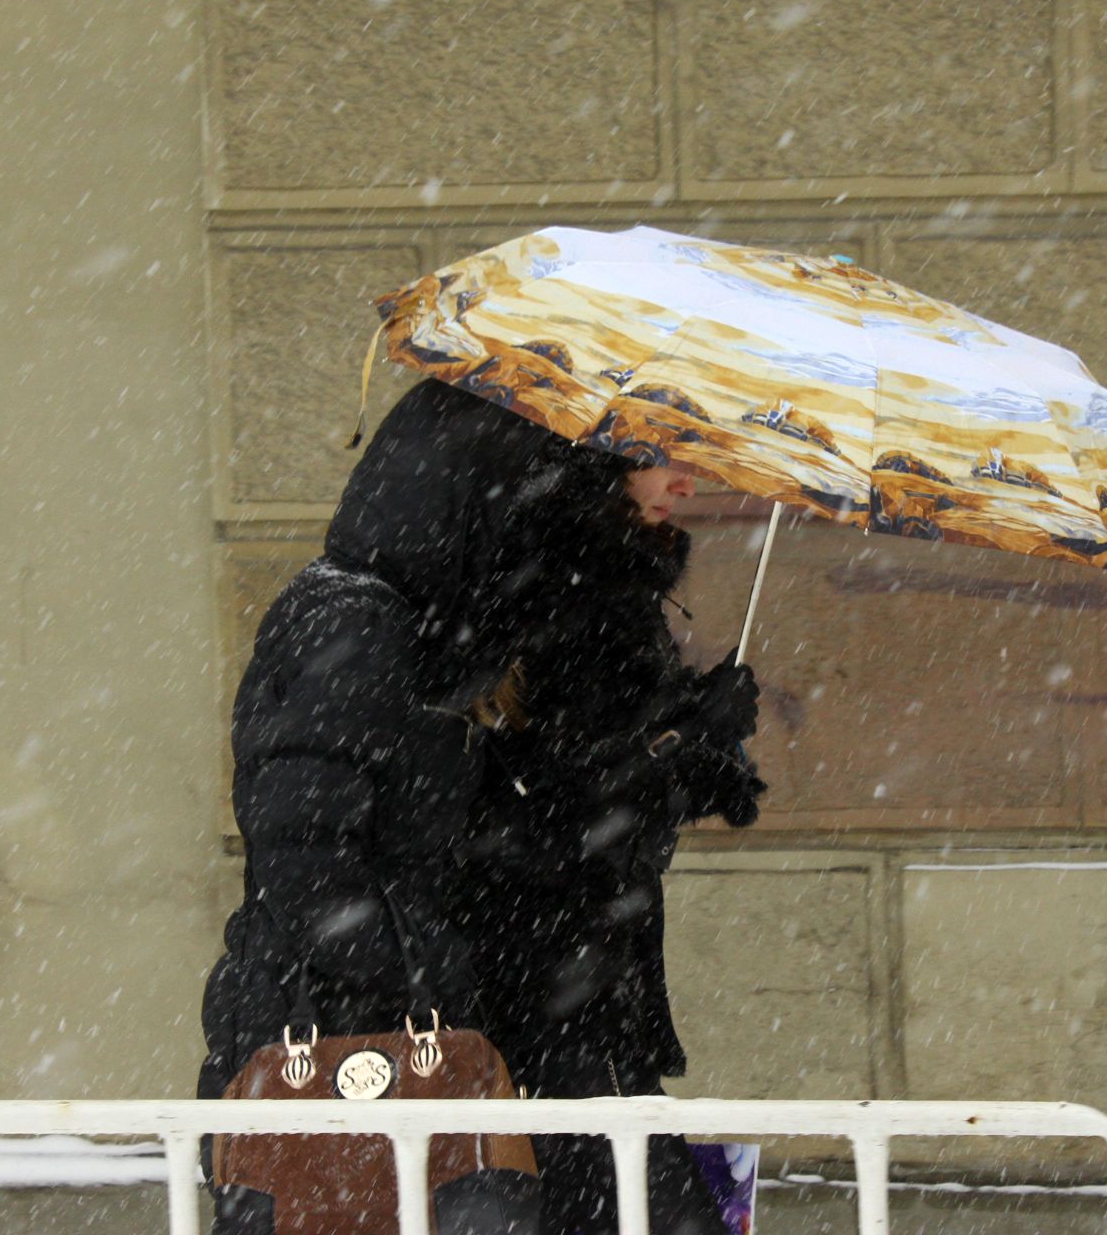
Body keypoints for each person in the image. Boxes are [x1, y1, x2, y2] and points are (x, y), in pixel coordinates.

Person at [198, 379, 764, 1235]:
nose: (684, 480)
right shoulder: (352, 626)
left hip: (421, 1042)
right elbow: (309, 865)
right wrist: (443, 982)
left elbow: (509, 819)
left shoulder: (434, 641)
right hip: (341, 1050)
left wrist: (675, 751)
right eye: (652, 454)